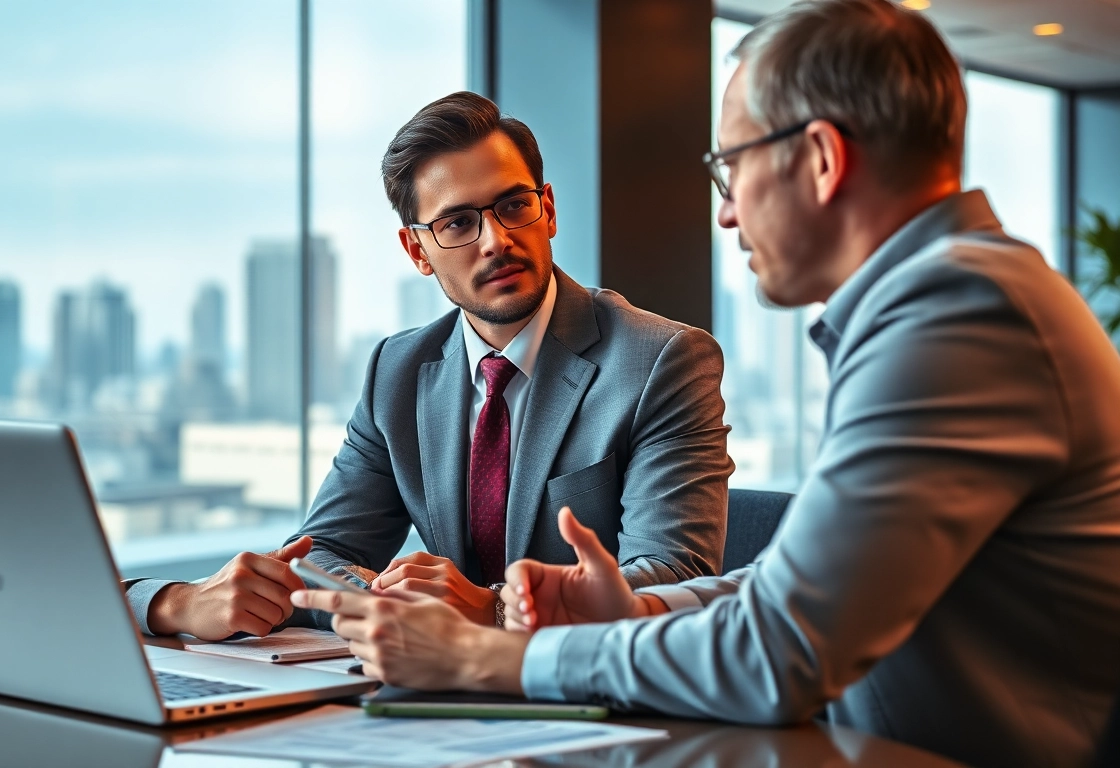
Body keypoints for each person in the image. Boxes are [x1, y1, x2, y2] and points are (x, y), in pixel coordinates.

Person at [294, 2, 1120, 766]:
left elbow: (780, 651)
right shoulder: (954, 299)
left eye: (732, 167)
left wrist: (489, 656)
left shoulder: (956, 316)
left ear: (821, 159)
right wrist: (629, 611)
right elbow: (793, 589)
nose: (725, 212)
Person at [128, 92, 734, 639]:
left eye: (514, 205)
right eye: (458, 223)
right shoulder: (396, 370)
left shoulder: (662, 360)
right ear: (417, 250)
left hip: (587, 698)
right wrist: (173, 602)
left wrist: (492, 609)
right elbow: (320, 554)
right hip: (425, 696)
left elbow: (674, 576)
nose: (495, 241)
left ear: (547, 210)